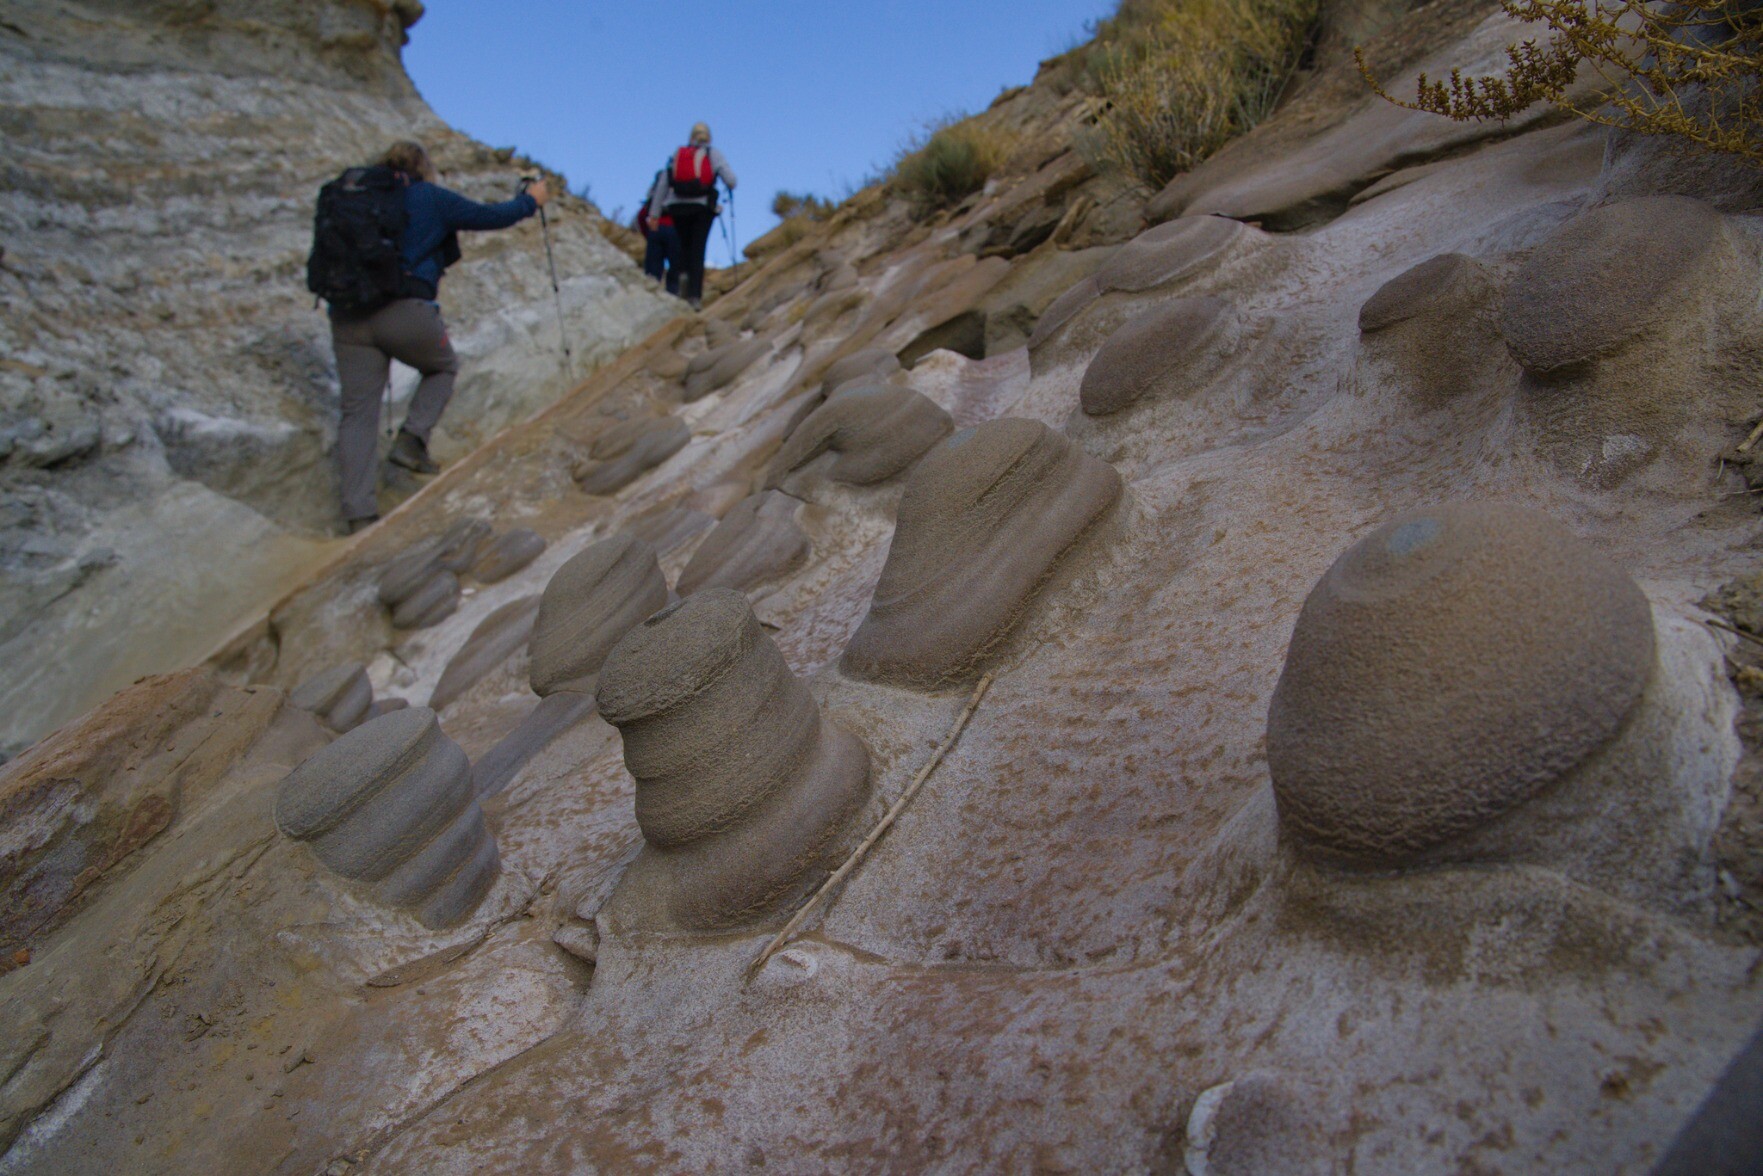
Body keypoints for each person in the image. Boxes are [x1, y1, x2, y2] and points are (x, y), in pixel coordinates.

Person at [326, 140, 547, 532]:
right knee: (443, 366)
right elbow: (490, 215)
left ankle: (359, 515)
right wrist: (530, 201)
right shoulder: (427, 196)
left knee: (358, 414)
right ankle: (411, 441)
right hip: (403, 310)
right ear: (423, 168)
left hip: (347, 316)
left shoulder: (356, 198)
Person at [644, 122, 736, 309]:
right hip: (702, 208)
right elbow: (731, 181)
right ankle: (694, 296)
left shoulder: (678, 154)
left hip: (677, 208)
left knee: (683, 249)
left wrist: (654, 214)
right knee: (698, 250)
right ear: (708, 137)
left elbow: (663, 183)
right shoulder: (712, 154)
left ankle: (679, 288)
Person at [637, 169, 681, 295]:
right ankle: (673, 296)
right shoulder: (682, 192)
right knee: (675, 270)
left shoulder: (655, 193)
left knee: (652, 272)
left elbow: (642, 216)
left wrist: (649, 233)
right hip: (676, 231)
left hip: (656, 230)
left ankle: (650, 295)